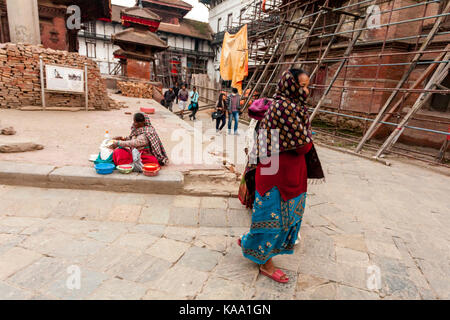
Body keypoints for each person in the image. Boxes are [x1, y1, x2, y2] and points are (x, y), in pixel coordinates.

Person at [238, 69, 324, 283]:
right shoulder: (284, 107)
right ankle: (265, 263)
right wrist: (308, 137)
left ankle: (251, 242)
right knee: (271, 220)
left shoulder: (293, 106)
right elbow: (303, 146)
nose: (306, 90)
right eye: (302, 86)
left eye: (307, 85)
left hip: (289, 171)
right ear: (289, 85)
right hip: (275, 174)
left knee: (282, 218)